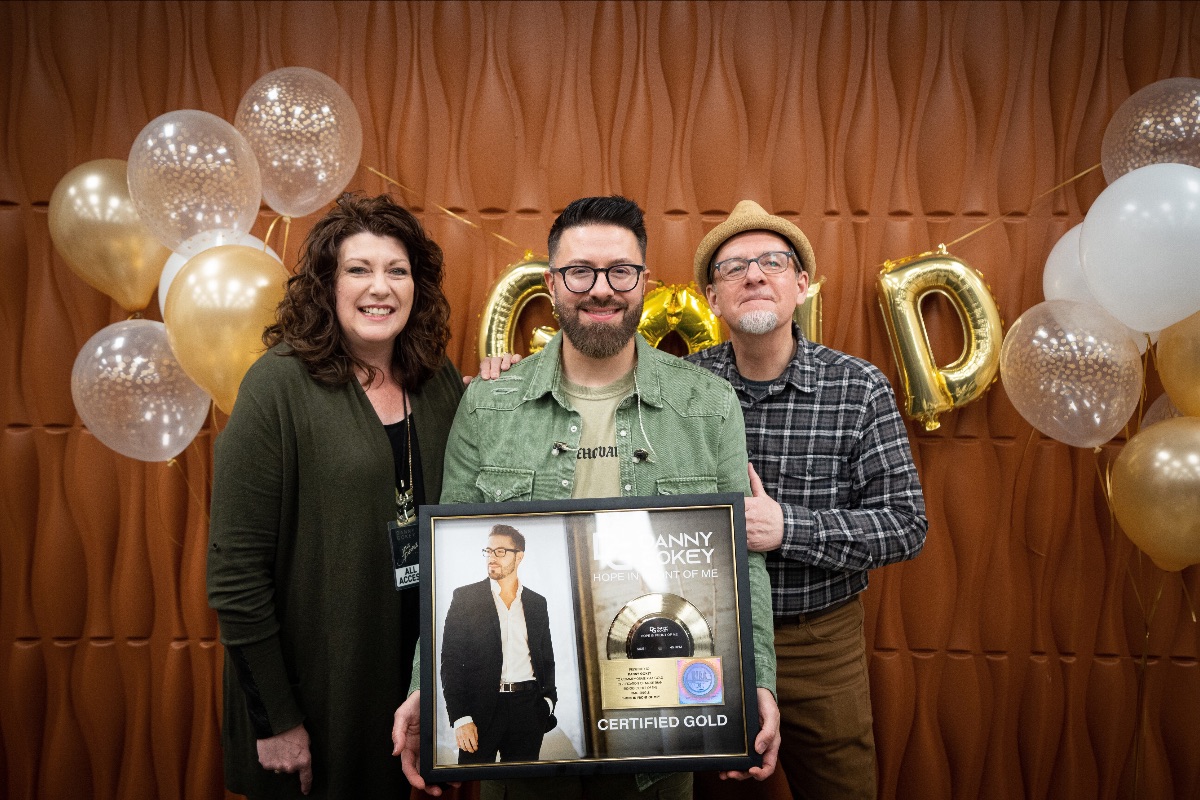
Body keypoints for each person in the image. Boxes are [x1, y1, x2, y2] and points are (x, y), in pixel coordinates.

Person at [393, 195, 780, 800]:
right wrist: (425, 690)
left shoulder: (706, 405)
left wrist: (758, 681)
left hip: (657, 713)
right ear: (551, 283)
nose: (601, 289)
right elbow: (448, 564)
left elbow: (741, 559)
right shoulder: (491, 403)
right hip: (523, 737)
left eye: (620, 271)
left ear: (645, 282)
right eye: (580, 271)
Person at [207, 193, 464, 798]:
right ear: (326, 284)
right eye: (359, 269)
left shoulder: (437, 378)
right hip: (313, 696)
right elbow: (235, 573)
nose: (381, 288)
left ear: (417, 287)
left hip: (409, 685)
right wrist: (276, 720)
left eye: (397, 271)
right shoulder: (278, 384)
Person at [686, 200, 928, 800]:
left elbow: (906, 524)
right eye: (733, 267)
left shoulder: (858, 387)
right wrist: (503, 371)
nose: (754, 274)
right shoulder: (682, 388)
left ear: (800, 285)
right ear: (713, 298)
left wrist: (787, 528)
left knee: (843, 787)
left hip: (821, 642)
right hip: (713, 640)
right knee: (717, 791)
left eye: (773, 261)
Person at [441, 524, 557, 764]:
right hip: (480, 709)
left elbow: (546, 657)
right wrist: (461, 717)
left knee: (522, 789)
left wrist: (547, 702)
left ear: (520, 556)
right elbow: (450, 661)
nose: (492, 557)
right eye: (488, 551)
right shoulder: (465, 598)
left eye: (500, 551)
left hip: (528, 709)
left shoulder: (537, 603)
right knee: (472, 785)